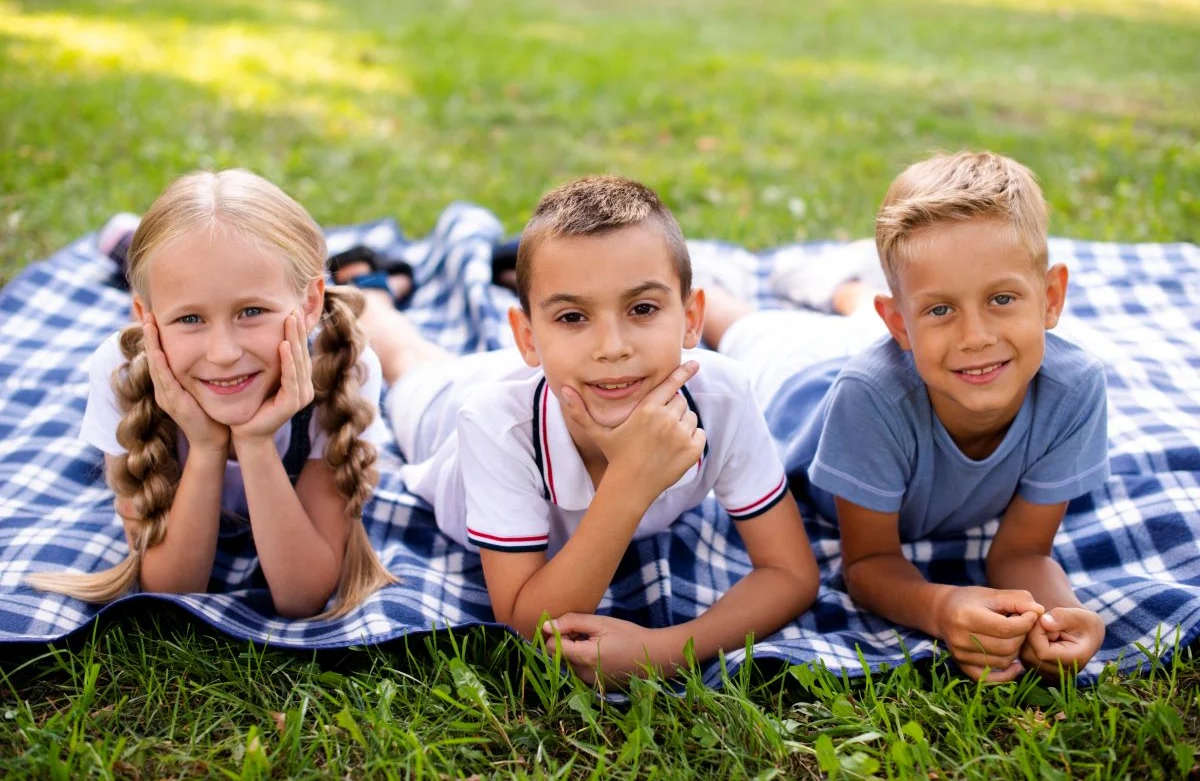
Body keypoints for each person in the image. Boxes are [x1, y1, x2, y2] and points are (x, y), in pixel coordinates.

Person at [341, 176, 820, 682]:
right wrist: (630, 480)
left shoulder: (721, 395)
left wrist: (666, 649)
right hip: (448, 408)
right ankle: (371, 296)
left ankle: (533, 286)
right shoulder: (492, 425)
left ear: (690, 317)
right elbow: (528, 624)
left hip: (566, 377)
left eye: (642, 308)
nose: (612, 346)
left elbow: (791, 573)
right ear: (527, 336)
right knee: (409, 360)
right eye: (573, 315)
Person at [705, 151, 1109, 681]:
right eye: (940, 309)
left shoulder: (1073, 389)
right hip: (797, 384)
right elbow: (869, 565)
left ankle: (836, 287)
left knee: (873, 335)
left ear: (1051, 297)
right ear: (898, 322)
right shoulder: (868, 397)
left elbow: (1023, 552)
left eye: (1003, 298)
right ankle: (727, 288)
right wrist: (943, 609)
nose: (976, 336)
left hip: (909, 359)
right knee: (748, 329)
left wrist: (1057, 617)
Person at [29, 169, 397, 619]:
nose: (223, 354)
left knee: (385, 318)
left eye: (251, 311)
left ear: (308, 304)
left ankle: (375, 283)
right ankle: (127, 243)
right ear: (144, 315)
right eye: (189, 319)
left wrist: (256, 442)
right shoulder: (120, 370)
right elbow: (172, 590)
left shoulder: (343, 367)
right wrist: (206, 444)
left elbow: (302, 597)